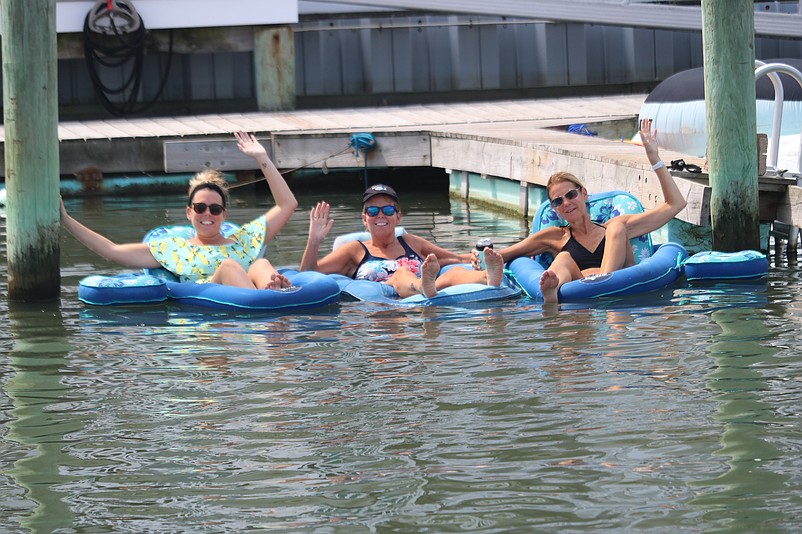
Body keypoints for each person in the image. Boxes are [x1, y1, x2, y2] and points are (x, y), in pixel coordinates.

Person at [60, 131, 298, 290]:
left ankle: (276, 296)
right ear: (188, 212)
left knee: (260, 264)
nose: (207, 214)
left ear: (224, 215)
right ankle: (267, 307)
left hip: (250, 290)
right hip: (217, 298)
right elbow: (111, 250)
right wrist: (66, 220)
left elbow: (288, 204)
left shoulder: (245, 239)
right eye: (200, 207)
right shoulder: (173, 249)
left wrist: (262, 157)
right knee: (228, 266)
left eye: (215, 209)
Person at [492, 117, 687, 304]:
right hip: (583, 296)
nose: (566, 203)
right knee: (563, 258)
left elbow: (675, 204)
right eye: (558, 201)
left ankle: (601, 285)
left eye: (570, 195)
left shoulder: (613, 228)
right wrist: (473, 257)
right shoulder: (556, 236)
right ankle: (551, 296)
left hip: (623, 288)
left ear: (584, 194)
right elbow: (507, 253)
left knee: (618, 228)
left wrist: (655, 159)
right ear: (555, 209)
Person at [300, 184, 505, 298]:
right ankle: (423, 285)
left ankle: (489, 277)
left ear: (398, 217)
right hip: (384, 304)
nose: (381, 215)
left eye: (388, 210)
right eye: (372, 211)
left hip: (426, 292)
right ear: (364, 219)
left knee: (453, 272)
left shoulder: (410, 242)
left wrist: (472, 259)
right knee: (401, 273)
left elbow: (451, 258)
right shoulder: (355, 250)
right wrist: (313, 241)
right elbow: (308, 276)